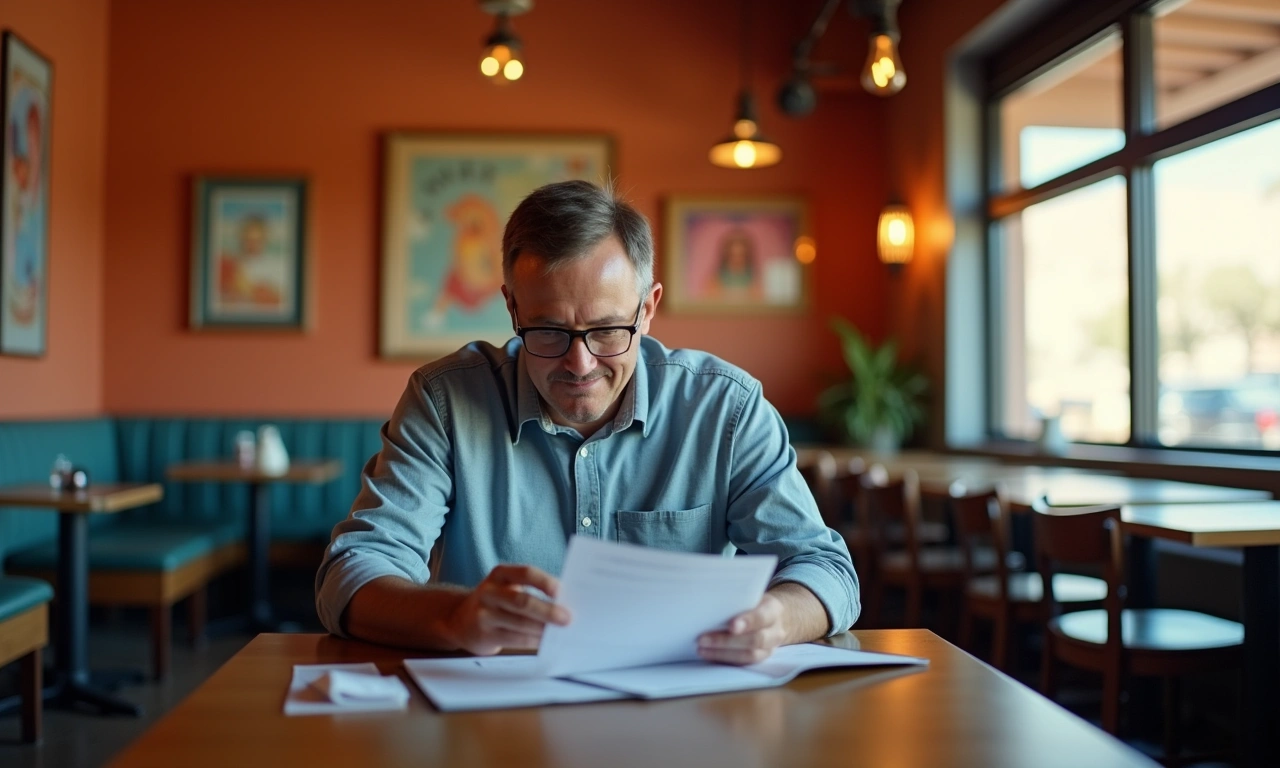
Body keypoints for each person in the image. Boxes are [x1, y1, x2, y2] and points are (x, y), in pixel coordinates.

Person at [315, 180, 858, 665]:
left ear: (647, 309)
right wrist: (455, 618)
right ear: (512, 308)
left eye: (606, 331)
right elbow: (353, 571)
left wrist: (774, 620)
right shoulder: (445, 402)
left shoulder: (725, 410)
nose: (580, 365)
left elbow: (826, 570)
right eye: (548, 331)